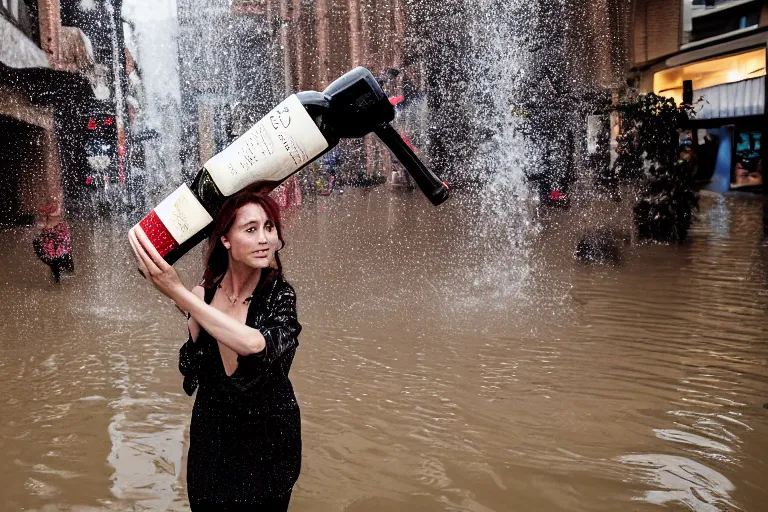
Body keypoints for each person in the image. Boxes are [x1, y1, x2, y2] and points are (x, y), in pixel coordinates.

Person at [128, 185, 302, 510]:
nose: (265, 238)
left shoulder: (280, 296)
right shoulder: (202, 296)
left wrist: (176, 292)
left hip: (267, 451)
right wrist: (187, 305)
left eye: (269, 227)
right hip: (212, 448)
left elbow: (254, 344)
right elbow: (191, 373)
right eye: (251, 229)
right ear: (225, 238)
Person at [33, 201, 75, 283]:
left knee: (63, 266)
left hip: (57, 248)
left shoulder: (61, 227)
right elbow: (41, 224)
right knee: (57, 267)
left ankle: (60, 279)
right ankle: (58, 280)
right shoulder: (50, 221)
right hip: (51, 249)